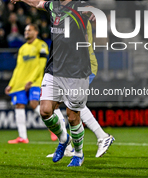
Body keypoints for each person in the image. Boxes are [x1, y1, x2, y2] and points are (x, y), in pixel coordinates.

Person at [6, 0, 99, 167]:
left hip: (77, 71)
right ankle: (63, 139)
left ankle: (79, 153)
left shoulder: (80, 7)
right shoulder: (54, 6)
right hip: (54, 68)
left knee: (74, 116)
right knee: (45, 111)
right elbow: (39, 2)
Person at [46, 19, 114, 159]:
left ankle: (102, 136)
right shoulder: (70, 15)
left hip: (82, 67)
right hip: (68, 68)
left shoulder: (77, 16)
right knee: (55, 102)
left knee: (73, 102)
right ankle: (69, 146)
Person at [5, 24, 49, 144]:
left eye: (29, 30)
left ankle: (53, 126)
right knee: (19, 105)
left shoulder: (42, 45)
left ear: (36, 32)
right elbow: (18, 68)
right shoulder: (22, 48)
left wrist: (31, 79)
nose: (26, 32)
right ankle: (23, 137)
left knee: (34, 104)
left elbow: (41, 65)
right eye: (25, 30)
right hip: (20, 82)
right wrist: (11, 84)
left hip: (34, 81)